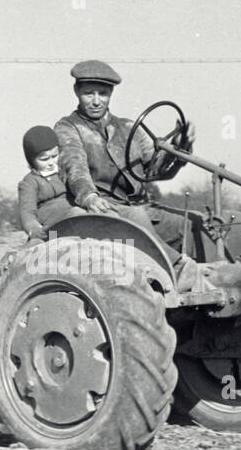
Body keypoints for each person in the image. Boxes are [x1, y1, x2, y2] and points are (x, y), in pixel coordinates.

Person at [53, 60, 204, 287]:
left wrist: (180, 146)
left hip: (136, 206)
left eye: (102, 93)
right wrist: (89, 197)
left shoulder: (128, 128)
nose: (96, 101)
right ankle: (175, 272)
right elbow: (75, 167)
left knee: (188, 225)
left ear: (111, 93)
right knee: (137, 218)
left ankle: (199, 286)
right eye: (88, 93)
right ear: (77, 91)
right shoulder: (68, 128)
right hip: (99, 210)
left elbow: (156, 169)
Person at [16, 125, 93, 242]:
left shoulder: (64, 173)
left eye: (54, 156)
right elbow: (27, 211)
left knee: (89, 217)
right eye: (44, 159)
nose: (51, 162)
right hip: (51, 226)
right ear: (31, 160)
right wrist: (33, 228)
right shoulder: (29, 182)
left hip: (74, 216)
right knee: (36, 245)